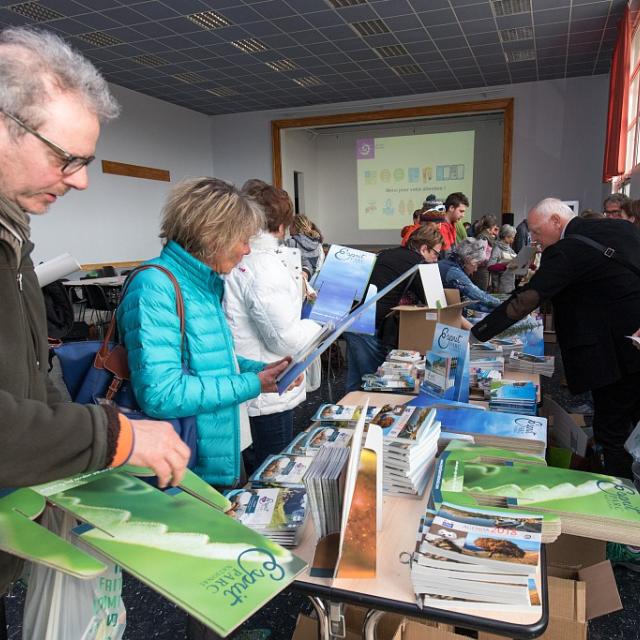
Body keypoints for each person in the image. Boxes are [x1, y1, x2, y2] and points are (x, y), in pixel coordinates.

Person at [0, 26, 191, 598]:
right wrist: (113, 435)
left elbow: (34, 382)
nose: (82, 180)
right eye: (67, 159)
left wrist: (98, 439)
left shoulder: (14, 240)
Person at [117, 178, 293, 487]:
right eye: (242, 239)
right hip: (185, 461)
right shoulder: (155, 287)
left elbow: (206, 360)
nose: (247, 250)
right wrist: (252, 383)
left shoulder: (203, 283)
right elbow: (162, 393)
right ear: (213, 237)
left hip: (217, 446)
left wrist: (261, 370)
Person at [472, 198, 640, 479]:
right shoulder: (621, 229)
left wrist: (476, 334)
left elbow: (526, 300)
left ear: (556, 222)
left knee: (611, 429)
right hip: (633, 341)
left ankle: (619, 493)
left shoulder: (565, 250)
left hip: (610, 353)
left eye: (537, 232)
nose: (534, 240)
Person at [224, 182, 320, 468]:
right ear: (282, 226)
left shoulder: (241, 259)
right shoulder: (263, 266)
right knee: (272, 473)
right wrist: (320, 325)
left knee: (257, 466)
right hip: (267, 385)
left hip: (249, 379)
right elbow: (285, 339)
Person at [343, 224, 443, 392]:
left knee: (355, 379)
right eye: (436, 253)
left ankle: (345, 413)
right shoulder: (417, 264)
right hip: (367, 325)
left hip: (351, 318)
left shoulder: (389, 253)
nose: (436, 259)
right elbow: (433, 300)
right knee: (375, 383)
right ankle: (366, 414)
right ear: (424, 248)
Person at [438, 238, 501, 312]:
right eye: (477, 264)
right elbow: (478, 295)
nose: (476, 269)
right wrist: (503, 305)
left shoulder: (449, 263)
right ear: (469, 260)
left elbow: (466, 300)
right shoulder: (454, 271)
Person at [284, 213, 325, 282]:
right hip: (314, 283)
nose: (289, 228)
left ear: (295, 226)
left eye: (290, 225)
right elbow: (320, 265)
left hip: (298, 283)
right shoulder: (318, 244)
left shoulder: (290, 243)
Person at [471, 214, 499, 291]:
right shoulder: (482, 237)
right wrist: (492, 260)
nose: (495, 231)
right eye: (494, 228)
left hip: (485, 269)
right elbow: (480, 256)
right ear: (490, 228)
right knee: (481, 292)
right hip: (481, 270)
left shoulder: (486, 237)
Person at [488, 224, 518, 293]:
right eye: (512, 237)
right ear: (506, 237)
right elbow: (490, 267)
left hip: (510, 283)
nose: (513, 240)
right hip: (500, 285)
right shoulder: (497, 249)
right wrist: (506, 265)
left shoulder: (510, 249)